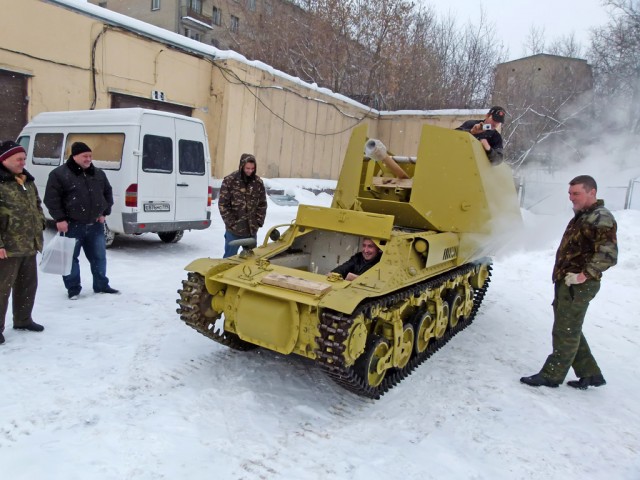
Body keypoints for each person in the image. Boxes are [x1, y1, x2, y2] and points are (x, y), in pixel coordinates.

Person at [520, 175, 618, 390]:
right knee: (571, 328)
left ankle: (551, 376)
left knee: (565, 329)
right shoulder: (584, 216)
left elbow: (608, 254)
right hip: (568, 282)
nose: (571, 198)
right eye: (570, 193)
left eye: (576, 194)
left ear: (592, 192)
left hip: (579, 284)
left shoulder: (600, 217)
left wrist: (584, 275)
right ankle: (590, 374)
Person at [44, 142, 118, 300]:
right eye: (85, 156)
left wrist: (104, 212)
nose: (88, 159)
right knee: (69, 258)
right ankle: (73, 289)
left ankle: (101, 285)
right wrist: (60, 219)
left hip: (95, 225)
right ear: (75, 156)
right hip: (71, 225)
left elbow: (108, 192)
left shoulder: (98, 174)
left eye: (90, 156)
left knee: (99, 257)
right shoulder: (59, 174)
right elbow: (52, 199)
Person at [0, 141, 46, 344]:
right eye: (18, 159)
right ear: (5, 160)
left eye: (24, 159)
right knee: (2, 290)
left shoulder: (26, 180)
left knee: (28, 286)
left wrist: (41, 222)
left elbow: (37, 203)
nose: (23, 162)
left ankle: (23, 319)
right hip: (7, 247)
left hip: (29, 243)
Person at [218, 153, 267, 258]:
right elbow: (223, 205)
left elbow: (262, 204)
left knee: (250, 261)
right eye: (247, 168)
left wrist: (258, 221)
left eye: (252, 168)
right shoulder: (229, 181)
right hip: (234, 231)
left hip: (251, 231)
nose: (250, 171)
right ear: (241, 166)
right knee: (229, 260)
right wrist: (231, 223)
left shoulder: (258, 183)